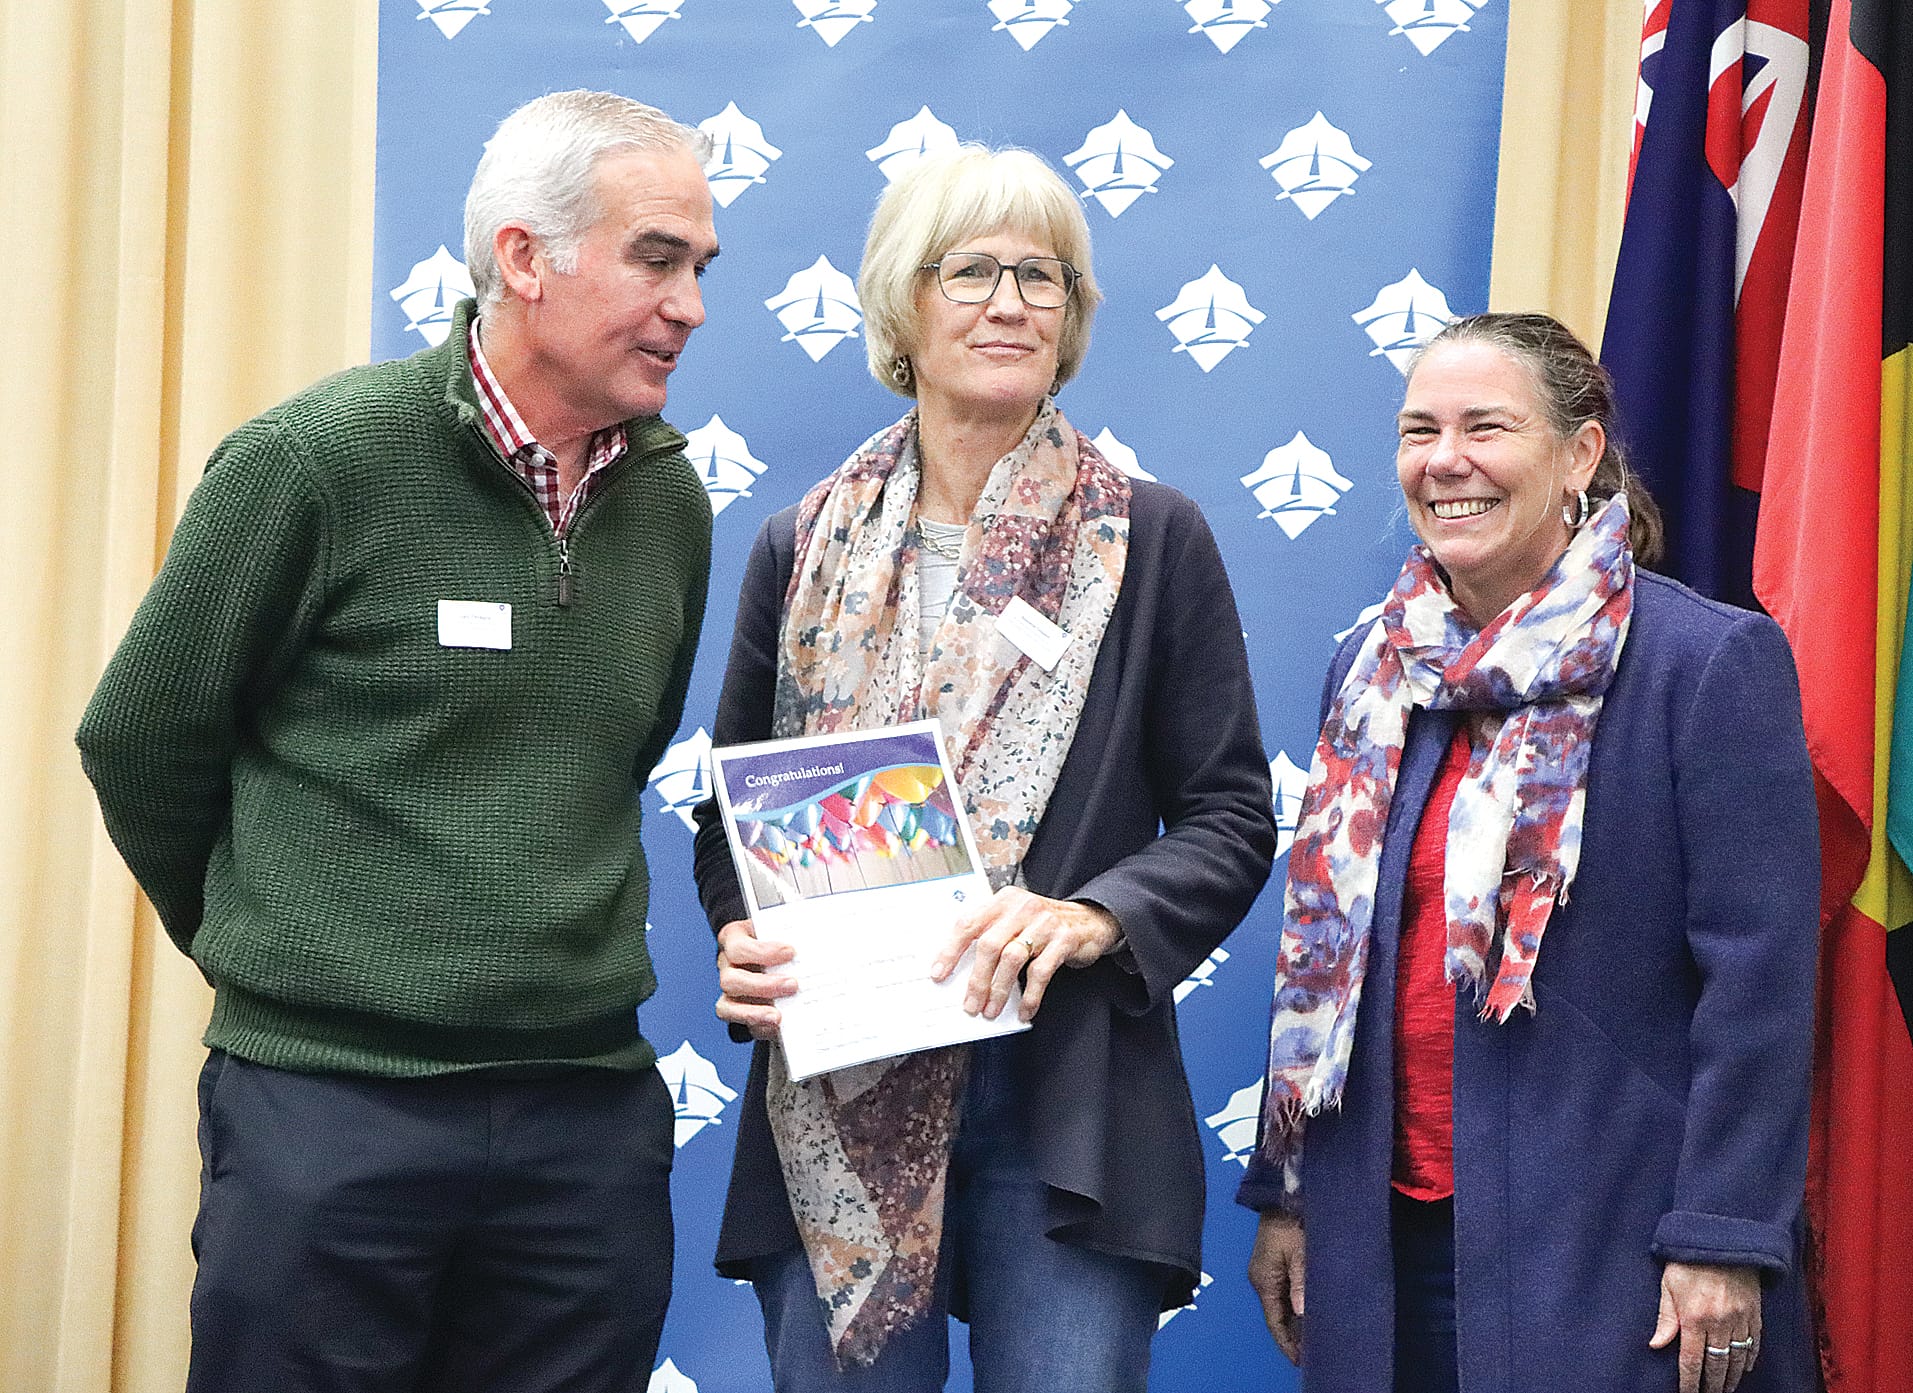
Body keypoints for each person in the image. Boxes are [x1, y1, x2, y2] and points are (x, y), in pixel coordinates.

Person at [74, 90, 719, 1393]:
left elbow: (620, 750)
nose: (690, 306)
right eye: (656, 259)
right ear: (524, 258)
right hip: (328, 1106)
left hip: (582, 1123)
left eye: (700, 267)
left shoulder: (670, 503)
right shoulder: (315, 462)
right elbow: (142, 739)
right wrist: (286, 941)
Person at [691, 145, 1277, 1392]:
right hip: (839, 1083)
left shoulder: (1152, 537)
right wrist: (743, 936)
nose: (1008, 303)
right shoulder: (797, 543)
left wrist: (1093, 914)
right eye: (969, 272)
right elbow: (727, 818)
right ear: (901, 303)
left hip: (1060, 1089)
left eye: (1040, 275)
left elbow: (1229, 814)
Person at [1239, 313, 1820, 1393]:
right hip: (1381, 1250)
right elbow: (1327, 960)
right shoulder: (1370, 672)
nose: (1443, 460)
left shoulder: (1703, 664)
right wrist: (1288, 1196)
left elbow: (1760, 983)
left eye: (1484, 427)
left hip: (1614, 1257)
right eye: (1419, 430)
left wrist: (1722, 1231)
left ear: (1578, 454)